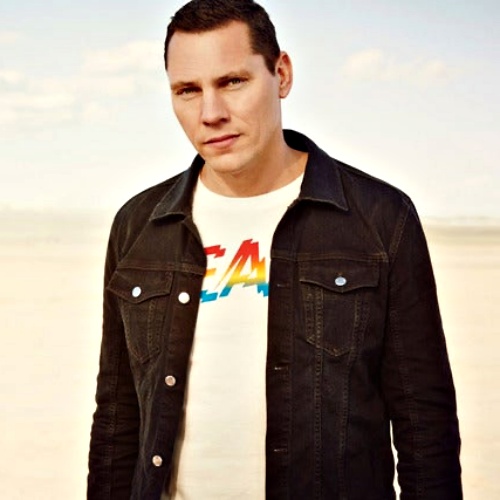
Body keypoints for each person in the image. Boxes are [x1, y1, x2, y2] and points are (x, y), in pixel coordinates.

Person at [87, 0, 462, 498]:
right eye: (188, 90)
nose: (211, 114)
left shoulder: (379, 219)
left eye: (232, 82)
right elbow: (117, 419)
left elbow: (425, 427)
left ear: (281, 74)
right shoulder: (139, 226)